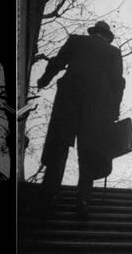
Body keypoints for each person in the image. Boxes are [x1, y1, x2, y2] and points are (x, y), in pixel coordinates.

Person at [36, 21, 125, 217]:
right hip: (97, 108)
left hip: (68, 99)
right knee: (89, 152)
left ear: (94, 33)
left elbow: (57, 62)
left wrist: (44, 80)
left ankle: (49, 193)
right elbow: (118, 83)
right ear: (107, 37)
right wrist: (114, 110)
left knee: (59, 145)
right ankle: (83, 200)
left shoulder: (76, 41)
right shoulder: (113, 53)